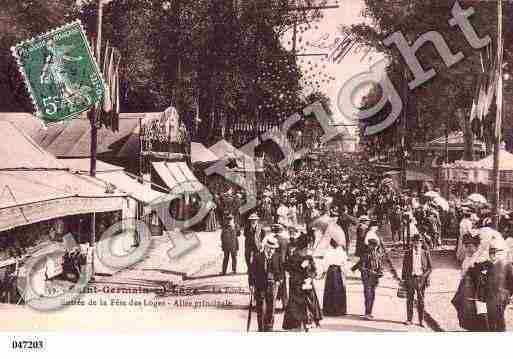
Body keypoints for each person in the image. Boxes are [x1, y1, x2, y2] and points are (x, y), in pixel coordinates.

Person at [283, 235, 322, 331]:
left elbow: (314, 271)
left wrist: (310, 277)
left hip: (307, 284)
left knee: (309, 303)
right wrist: (300, 266)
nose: (306, 249)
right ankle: (296, 323)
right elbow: (287, 268)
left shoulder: (309, 257)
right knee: (296, 304)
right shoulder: (293, 258)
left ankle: (308, 322)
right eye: (305, 247)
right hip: (296, 284)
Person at [451, 233, 489, 331]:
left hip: (479, 291)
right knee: (461, 306)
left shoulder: (481, 259)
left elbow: (484, 277)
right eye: (466, 246)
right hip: (467, 289)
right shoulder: (467, 259)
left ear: (476, 247)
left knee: (481, 313)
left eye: (470, 246)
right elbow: (463, 275)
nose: (468, 249)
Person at [248, 236, 284, 332]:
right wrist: (251, 284)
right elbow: (251, 272)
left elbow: (281, 272)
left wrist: (279, 281)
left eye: (274, 249)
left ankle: (269, 329)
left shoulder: (278, 257)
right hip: (260, 287)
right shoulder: (257, 257)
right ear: (266, 247)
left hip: (273, 287)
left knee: (271, 309)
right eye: (270, 248)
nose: (272, 251)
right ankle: (261, 329)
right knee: (261, 309)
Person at [480, 238, 513, 331]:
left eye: (496, 252)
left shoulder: (507, 265)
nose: (493, 255)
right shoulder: (485, 265)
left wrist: (509, 295)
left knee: (499, 318)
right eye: (491, 252)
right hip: (487, 296)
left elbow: (511, 281)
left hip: (501, 297)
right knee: (488, 319)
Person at [401, 234, 432, 327]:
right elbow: (404, 268)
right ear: (412, 243)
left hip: (421, 280)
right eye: (415, 242)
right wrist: (403, 280)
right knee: (409, 299)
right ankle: (409, 319)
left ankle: (421, 321)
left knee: (421, 300)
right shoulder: (408, 253)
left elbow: (430, 268)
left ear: (421, 243)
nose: (417, 244)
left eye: (419, 242)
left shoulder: (425, 253)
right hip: (410, 279)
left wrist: (424, 276)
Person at [351, 234, 384, 320]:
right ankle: (367, 312)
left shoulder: (378, 255)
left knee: (372, 295)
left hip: (375, 278)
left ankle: (370, 312)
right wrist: (369, 271)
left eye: (374, 246)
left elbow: (380, 266)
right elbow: (361, 267)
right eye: (371, 246)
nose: (373, 248)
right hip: (367, 278)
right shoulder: (366, 255)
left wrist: (380, 272)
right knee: (368, 295)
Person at [322, 239, 348, 316]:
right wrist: (345, 271)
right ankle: (339, 310)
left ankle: (329, 310)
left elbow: (325, 263)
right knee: (338, 290)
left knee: (330, 290)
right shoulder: (340, 251)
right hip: (337, 271)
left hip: (332, 271)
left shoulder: (328, 251)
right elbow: (344, 263)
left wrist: (324, 270)